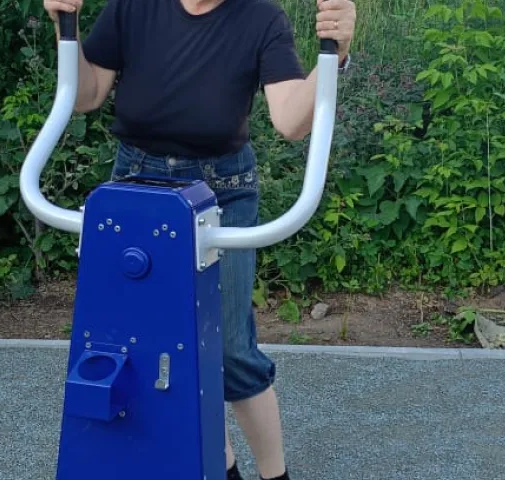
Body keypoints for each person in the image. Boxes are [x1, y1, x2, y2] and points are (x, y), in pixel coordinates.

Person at [41, 0, 356, 478]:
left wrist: (336, 54)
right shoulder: (133, 7)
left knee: (228, 349)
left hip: (220, 192)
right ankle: (221, 465)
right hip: (137, 184)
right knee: (153, 343)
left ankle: (275, 474)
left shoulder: (259, 17)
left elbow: (291, 120)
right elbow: (86, 95)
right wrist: (66, 25)